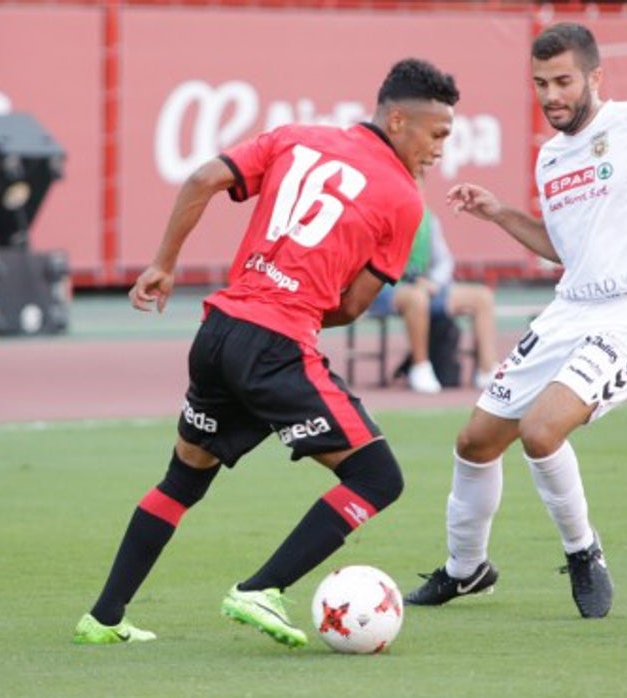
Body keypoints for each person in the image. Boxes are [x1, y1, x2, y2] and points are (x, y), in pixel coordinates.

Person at [71, 58, 460, 647]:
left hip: (218, 330)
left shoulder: (295, 136)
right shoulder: (405, 200)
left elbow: (203, 178)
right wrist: (294, 302)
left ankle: (102, 619)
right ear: (399, 119)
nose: (439, 151)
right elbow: (353, 307)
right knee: (378, 477)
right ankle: (262, 588)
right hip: (277, 345)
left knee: (182, 479)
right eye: (437, 135)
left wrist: (163, 265)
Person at [403, 22, 627, 619]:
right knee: (475, 441)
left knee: (541, 431)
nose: (551, 95)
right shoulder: (552, 157)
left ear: (594, 77)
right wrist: (500, 213)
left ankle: (584, 552)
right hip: (569, 308)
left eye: (563, 81)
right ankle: (467, 571)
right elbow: (565, 251)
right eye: (540, 83)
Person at [369, 207, 499, 393]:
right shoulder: (379, 215)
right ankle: (420, 367)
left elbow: (444, 261)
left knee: (482, 297)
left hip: (426, 287)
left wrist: (434, 282)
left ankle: (488, 369)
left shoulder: (429, 220)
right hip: (386, 289)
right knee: (416, 298)